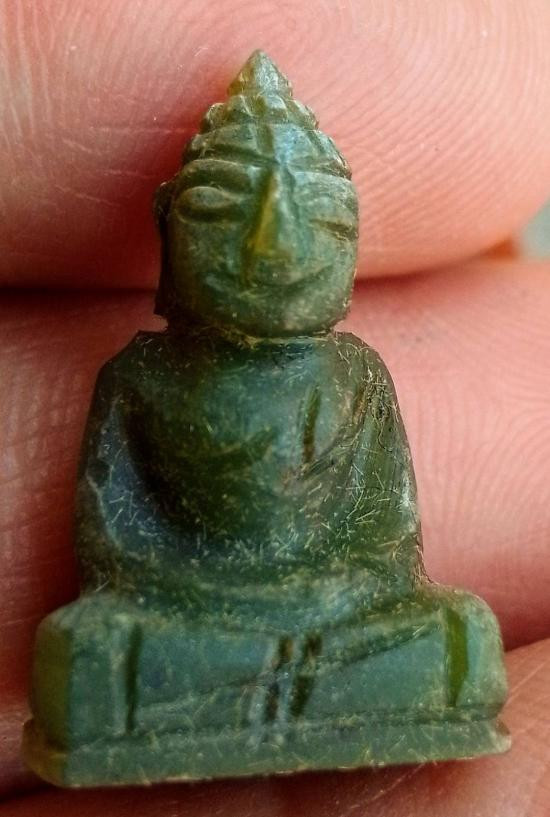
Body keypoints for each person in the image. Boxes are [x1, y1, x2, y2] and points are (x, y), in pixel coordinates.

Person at [1, 1, 550, 813]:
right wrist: (210, 603)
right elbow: (112, 547)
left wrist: (327, 601)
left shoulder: (357, 376)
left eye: (319, 220)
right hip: (189, 614)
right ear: (168, 226)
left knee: (458, 630)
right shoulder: (138, 378)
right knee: (84, 651)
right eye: (222, 216)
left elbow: (390, 545)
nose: (272, 245)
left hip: (340, 617)